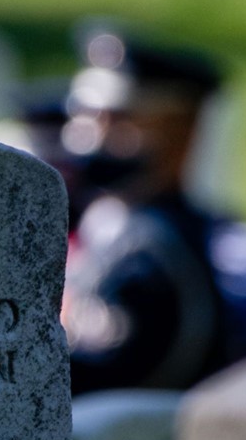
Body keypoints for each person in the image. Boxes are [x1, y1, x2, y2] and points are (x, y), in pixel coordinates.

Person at [60, 22, 235, 393]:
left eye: (121, 120)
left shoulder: (157, 253)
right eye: (87, 116)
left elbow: (110, 373)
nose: (94, 135)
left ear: (182, 133)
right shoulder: (111, 226)